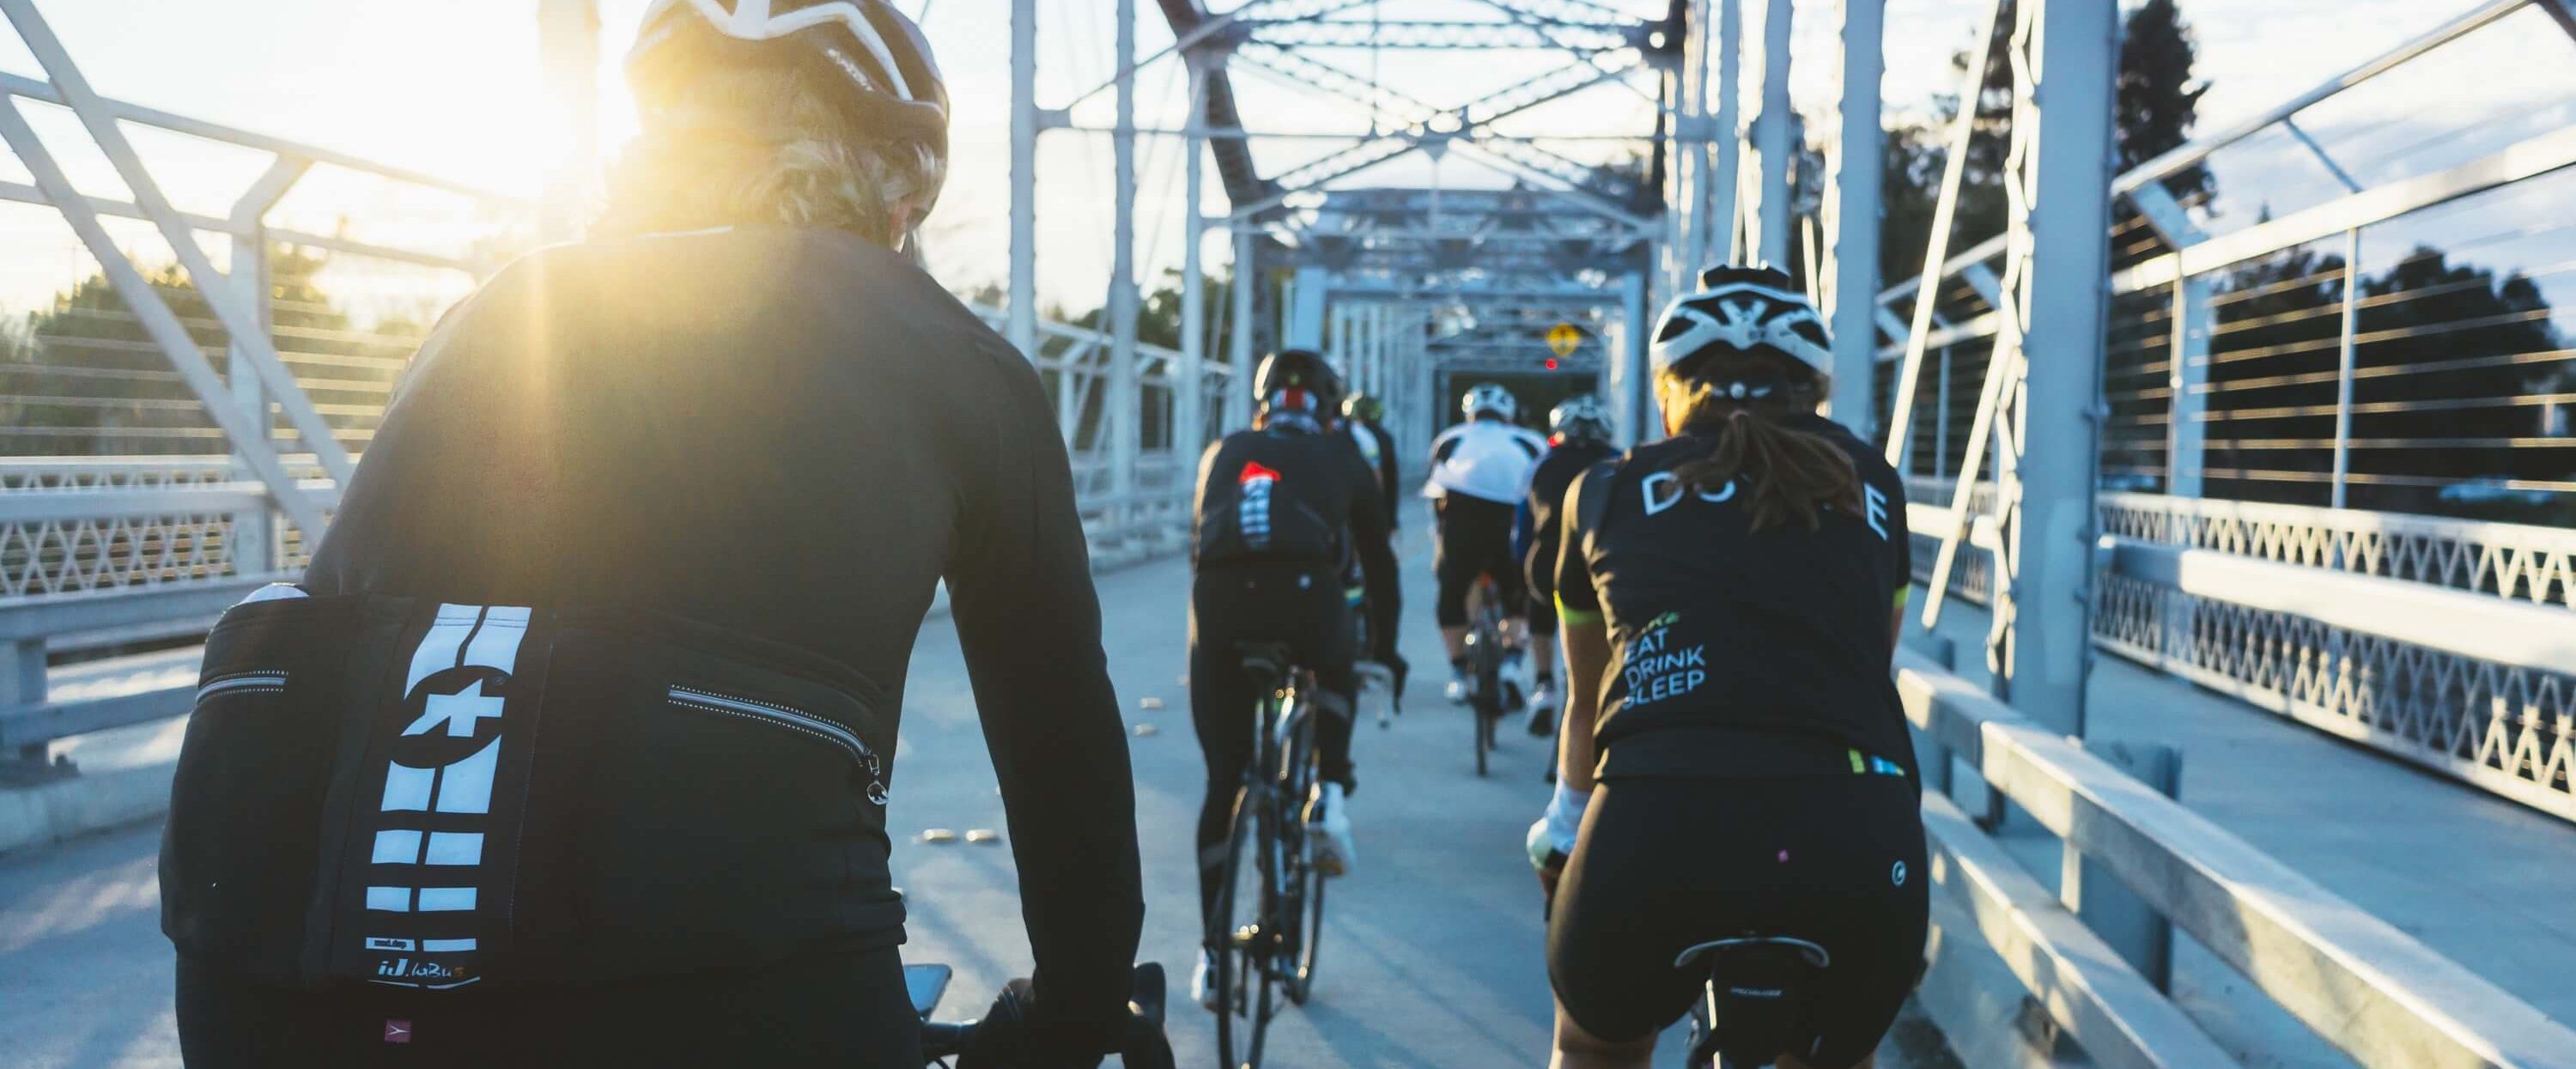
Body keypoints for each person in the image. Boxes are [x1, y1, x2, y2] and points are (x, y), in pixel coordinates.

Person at [157, 3, 1143, 1066]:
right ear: (896, 186)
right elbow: (1061, 754)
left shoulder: (497, 311)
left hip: (275, 988)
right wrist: (1075, 1016)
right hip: (718, 1005)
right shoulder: (961, 362)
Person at [1527, 266, 1927, 1069]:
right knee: (1836, 1057)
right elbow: (1866, 668)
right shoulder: (1873, 485)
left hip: (1655, 824)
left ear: (1672, 388)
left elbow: (1585, 702)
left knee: (1593, 1046)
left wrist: (1565, 833)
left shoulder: (1601, 489)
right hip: (1854, 832)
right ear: (1812, 390)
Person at [1188, 349, 1402, 1005]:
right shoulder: (1345, 457)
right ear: (1331, 411)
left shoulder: (1225, 449)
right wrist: (1386, 653)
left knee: (1225, 782)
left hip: (1220, 606)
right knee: (1336, 655)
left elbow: (1201, 538)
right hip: (1310, 599)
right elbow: (1381, 566)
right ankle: (1330, 793)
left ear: (1263, 405)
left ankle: (1215, 959)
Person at [1423, 383, 1549, 706]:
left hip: (1462, 521)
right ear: (1509, 415)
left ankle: (1457, 673)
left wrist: (1440, 544)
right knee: (1519, 593)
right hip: (1511, 522)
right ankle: (1512, 661)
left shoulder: (1449, 438)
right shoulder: (1530, 440)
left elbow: (1436, 492)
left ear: (1470, 414)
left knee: (1450, 592)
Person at [1514, 394, 1618, 736]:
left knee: (1539, 601)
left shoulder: (1542, 464)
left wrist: (1519, 563)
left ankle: (1544, 684)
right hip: (1605, 569)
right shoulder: (1621, 463)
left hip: (1549, 570)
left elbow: (1524, 525)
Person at [1340, 392, 1402, 527]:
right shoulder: (1384, 438)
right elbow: (1390, 482)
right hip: (1372, 508)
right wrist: (1391, 520)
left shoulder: (1339, 434)